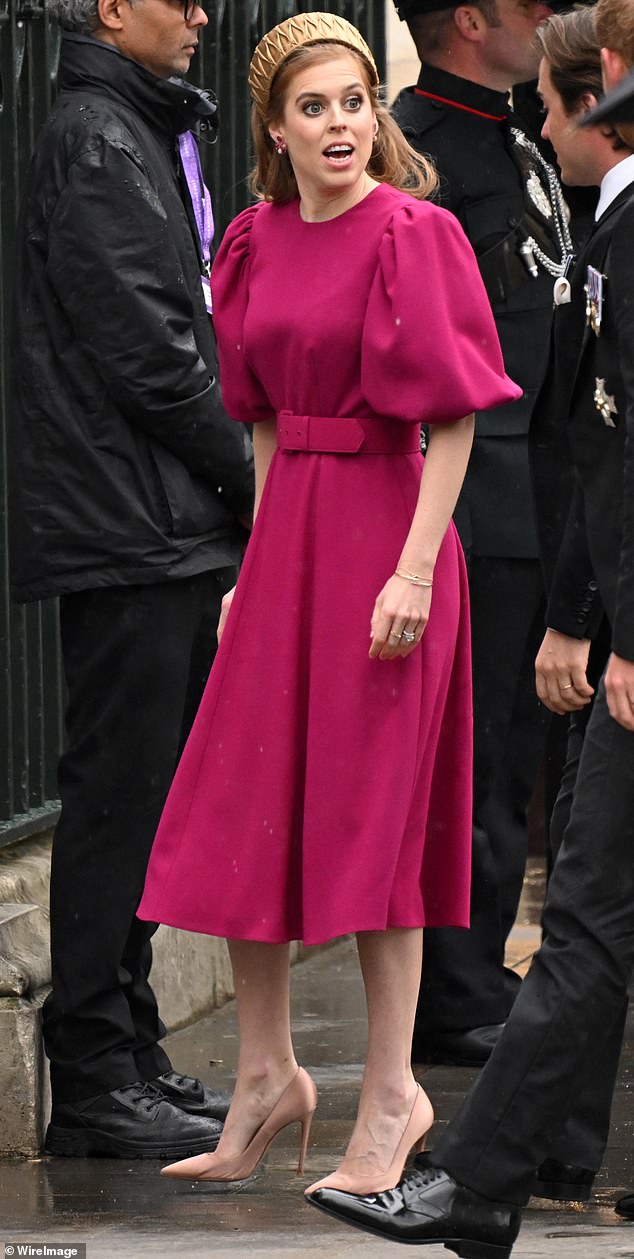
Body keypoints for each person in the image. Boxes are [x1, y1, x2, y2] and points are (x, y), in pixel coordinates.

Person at [137, 10, 520, 1194]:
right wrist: (255, 559)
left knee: (371, 825)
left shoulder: (417, 233)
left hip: (388, 535)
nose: (340, 124)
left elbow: (454, 415)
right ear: (275, 127)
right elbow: (254, 413)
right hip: (290, 537)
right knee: (249, 802)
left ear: (373, 111)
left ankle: (394, 1091)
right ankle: (266, 1075)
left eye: (354, 101)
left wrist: (412, 568)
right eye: (314, 107)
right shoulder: (249, 240)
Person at [304, 7, 634, 1252]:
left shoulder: (568, 175)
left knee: (562, 845)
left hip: (569, 535)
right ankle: (492, 1094)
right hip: (511, 522)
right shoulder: (445, 153)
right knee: (524, 817)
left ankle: (497, 1159)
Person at [9, 0, 254, 1158]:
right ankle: (96, 1071)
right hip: (129, 522)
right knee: (115, 796)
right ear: (113, 10)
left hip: (154, 518)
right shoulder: (100, 137)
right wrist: (247, 472)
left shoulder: (141, 124)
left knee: (147, 795)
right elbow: (153, 351)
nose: (202, 14)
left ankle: (131, 1040)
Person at [390, 0, 567, 1068]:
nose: (545, 19)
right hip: (467, 501)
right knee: (473, 754)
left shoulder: (510, 134)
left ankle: (475, 962)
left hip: (533, 494)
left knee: (511, 755)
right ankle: (449, 989)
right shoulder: (420, 149)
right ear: (472, 18)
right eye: (530, 6)